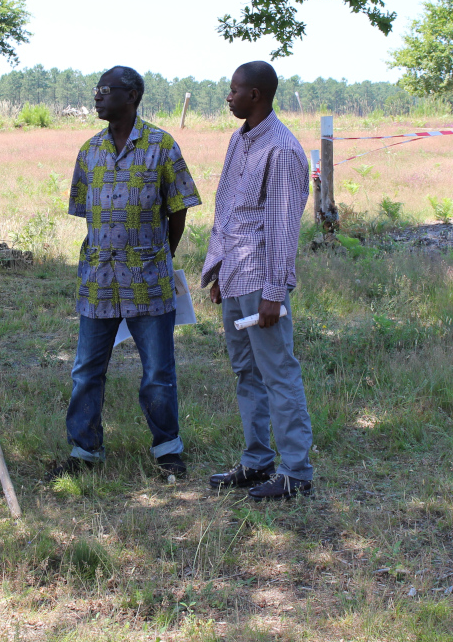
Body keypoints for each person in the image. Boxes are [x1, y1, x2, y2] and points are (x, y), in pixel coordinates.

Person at [54, 65, 202, 478]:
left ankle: (168, 449)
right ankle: (85, 451)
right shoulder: (89, 152)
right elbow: (88, 217)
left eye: (106, 90)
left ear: (132, 96)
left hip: (149, 283)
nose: (97, 96)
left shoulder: (162, 145)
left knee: (157, 372)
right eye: (96, 89)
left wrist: (159, 258)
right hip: (98, 282)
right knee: (86, 370)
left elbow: (177, 211)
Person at [201, 61, 314, 501]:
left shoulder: (282, 150)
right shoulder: (239, 140)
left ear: (257, 95)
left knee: (278, 373)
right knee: (246, 373)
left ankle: (297, 473)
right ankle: (256, 461)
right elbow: (228, 209)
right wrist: (218, 272)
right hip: (235, 275)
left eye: (234, 90)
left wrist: (274, 292)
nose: (228, 96)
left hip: (262, 281)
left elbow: (284, 226)